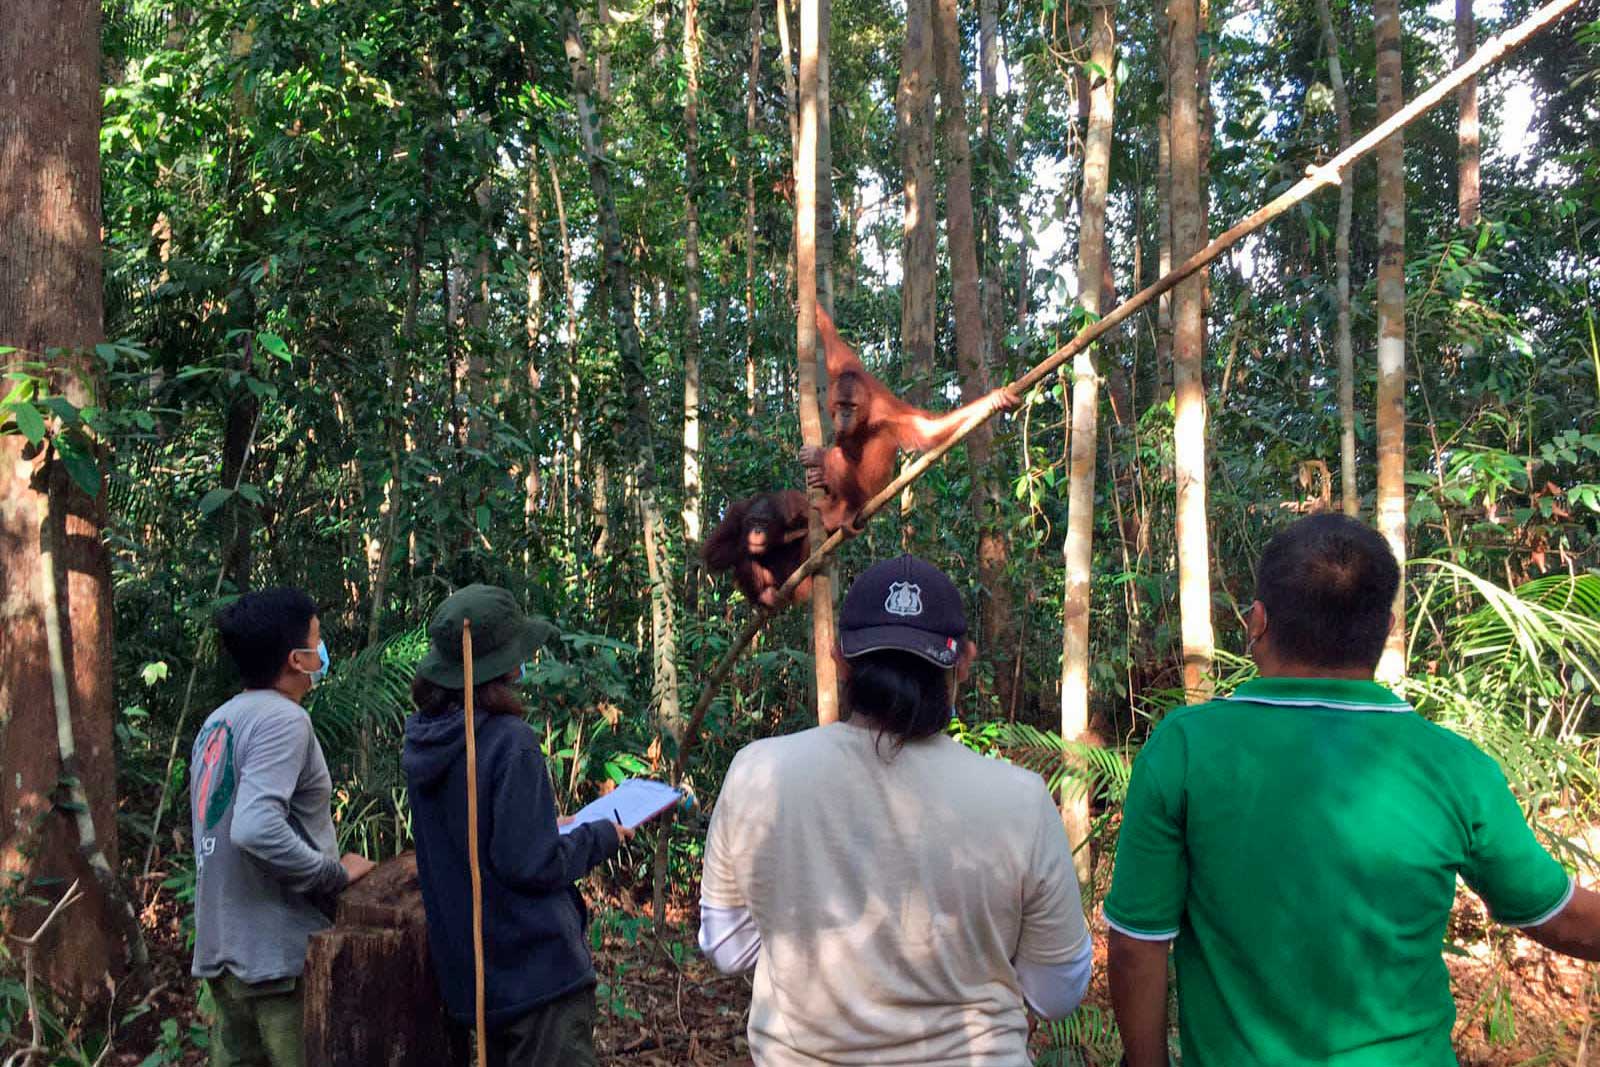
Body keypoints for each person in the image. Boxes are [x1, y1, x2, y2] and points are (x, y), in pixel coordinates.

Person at [1106, 513, 1600, 1067]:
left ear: (1257, 622)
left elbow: (1136, 947)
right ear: (1388, 627)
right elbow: (1563, 918)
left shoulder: (1184, 748)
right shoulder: (1453, 766)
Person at [699, 555, 1093, 1066]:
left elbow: (727, 948)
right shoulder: (1021, 799)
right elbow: (1057, 992)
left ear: (840, 658)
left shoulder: (760, 772)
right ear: (964, 662)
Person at [403, 584, 630, 1067]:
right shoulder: (509, 741)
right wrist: (602, 835)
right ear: (500, 665)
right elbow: (531, 862)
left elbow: (475, 836)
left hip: (477, 980)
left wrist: (547, 823)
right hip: (534, 974)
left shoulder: (423, 743)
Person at [191, 587, 376, 1067]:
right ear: (297, 659)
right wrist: (331, 874)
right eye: (317, 641)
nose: (323, 650)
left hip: (225, 952)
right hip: (277, 959)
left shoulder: (218, 721)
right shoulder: (284, 720)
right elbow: (254, 829)